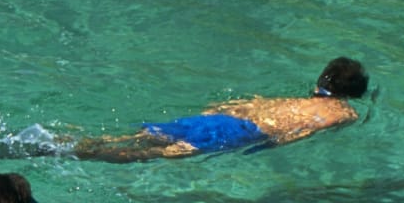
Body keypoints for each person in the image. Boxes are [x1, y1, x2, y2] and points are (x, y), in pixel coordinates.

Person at [71, 57, 369, 163]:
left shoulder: (289, 101)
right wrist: (271, 144)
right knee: (149, 155)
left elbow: (232, 105)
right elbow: (299, 133)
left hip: (217, 119)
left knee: (138, 137)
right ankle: (81, 154)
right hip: (242, 133)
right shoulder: (343, 113)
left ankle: (80, 144)